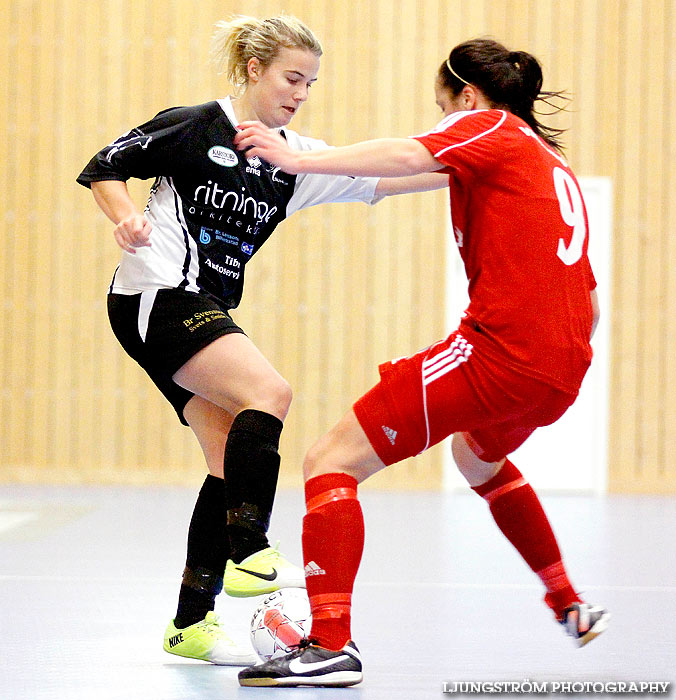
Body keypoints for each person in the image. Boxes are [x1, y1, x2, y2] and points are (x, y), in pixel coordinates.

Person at [234, 38, 610, 687]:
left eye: (443, 107)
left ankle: (329, 645)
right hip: (565, 369)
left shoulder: (487, 125)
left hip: (501, 354)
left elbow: (414, 152)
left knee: (329, 460)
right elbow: (592, 303)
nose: (443, 124)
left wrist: (290, 158)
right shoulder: (546, 162)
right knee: (477, 459)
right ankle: (567, 600)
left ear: (466, 97)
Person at [76, 14, 447, 666]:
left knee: (226, 459)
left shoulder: (290, 160)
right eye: (291, 77)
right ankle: (249, 548)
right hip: (154, 297)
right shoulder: (195, 125)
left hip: (194, 311)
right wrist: (127, 215)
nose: (300, 92)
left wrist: (465, 169)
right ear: (255, 69)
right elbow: (104, 166)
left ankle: (190, 624)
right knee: (269, 391)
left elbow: (384, 181)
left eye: (310, 83)